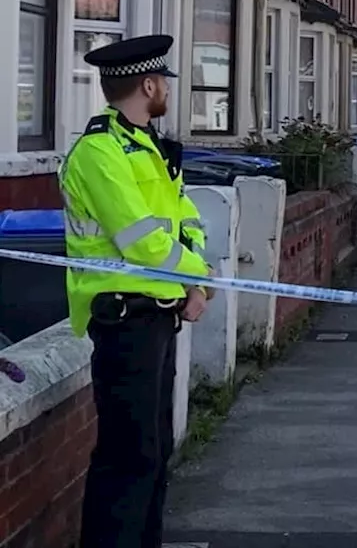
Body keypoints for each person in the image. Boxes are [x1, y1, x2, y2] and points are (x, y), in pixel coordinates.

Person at [62, 34, 213, 548]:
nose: (167, 90)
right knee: (128, 458)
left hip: (158, 318)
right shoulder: (99, 152)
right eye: (163, 82)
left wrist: (195, 279)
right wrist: (199, 277)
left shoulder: (148, 146)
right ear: (148, 84)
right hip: (124, 321)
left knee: (154, 451)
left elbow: (185, 216)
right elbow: (141, 242)